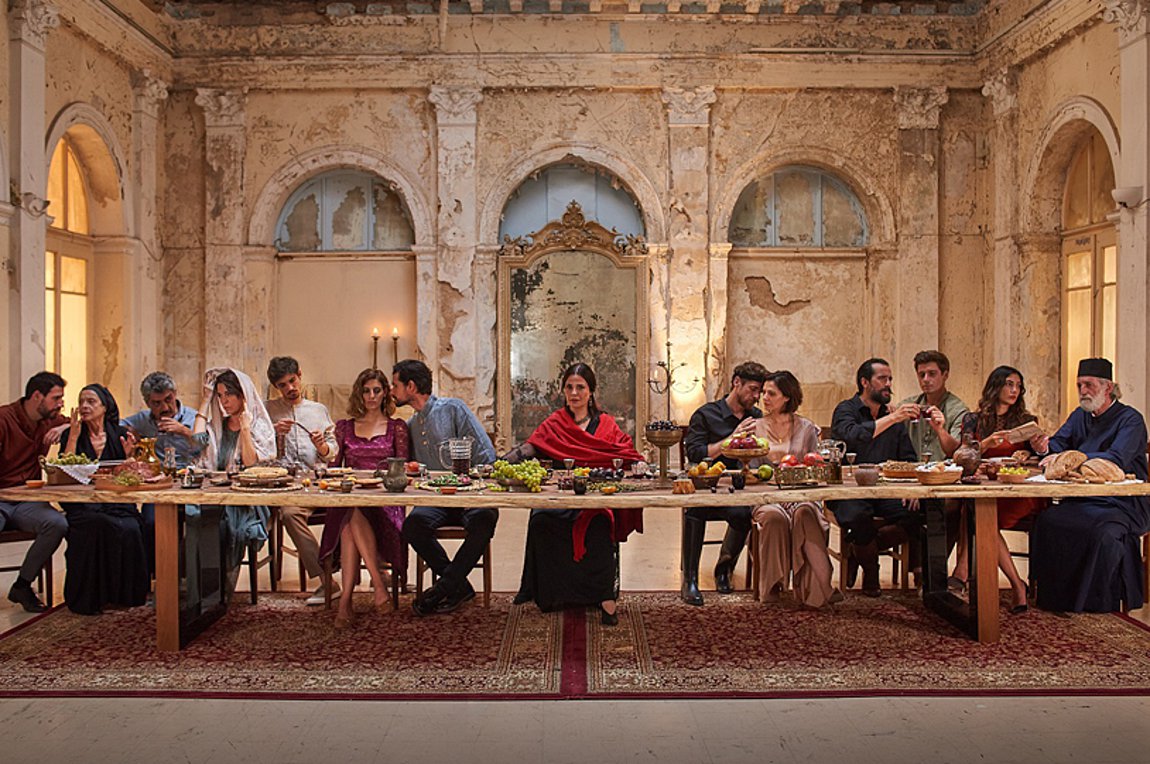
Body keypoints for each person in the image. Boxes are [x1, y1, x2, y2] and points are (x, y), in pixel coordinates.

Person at [505, 363, 644, 626]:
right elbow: (533, 446)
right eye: (569, 387)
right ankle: (552, 596)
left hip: (595, 500)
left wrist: (639, 463)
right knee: (541, 521)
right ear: (563, 391)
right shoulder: (555, 422)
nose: (574, 393)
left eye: (580, 387)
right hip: (560, 498)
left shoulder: (606, 424)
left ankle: (605, 599)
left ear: (591, 391)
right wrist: (501, 462)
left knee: (600, 525)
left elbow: (625, 451)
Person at [1032, 358, 1150, 613]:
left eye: (1089, 385)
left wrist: (1072, 459)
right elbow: (1058, 444)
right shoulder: (1080, 415)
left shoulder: (1131, 420)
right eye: (1079, 385)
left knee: (1101, 532)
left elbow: (1117, 458)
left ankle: (1095, 602)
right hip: (1083, 498)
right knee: (1048, 521)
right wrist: (1044, 448)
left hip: (1122, 502)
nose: (1083, 391)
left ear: (1109, 388)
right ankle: (1056, 599)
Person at [394, 359, 497, 616]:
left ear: (411, 386)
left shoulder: (453, 409)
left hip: (468, 496)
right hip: (435, 500)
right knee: (413, 526)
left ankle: (442, 588)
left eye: (395, 385)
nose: (392, 391)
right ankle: (458, 586)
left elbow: (487, 455)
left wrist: (469, 483)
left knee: (485, 518)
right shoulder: (411, 426)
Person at [948, 366, 1049, 612]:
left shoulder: (1026, 421)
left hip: (1016, 490)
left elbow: (1039, 457)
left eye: (1018, 386)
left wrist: (1034, 450)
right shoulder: (973, 420)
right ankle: (1017, 585)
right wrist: (985, 443)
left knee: (980, 515)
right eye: (1009, 384)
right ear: (996, 387)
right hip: (985, 485)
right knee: (976, 509)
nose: (1015, 390)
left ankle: (962, 573)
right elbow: (961, 454)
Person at [319, 369, 409, 628]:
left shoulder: (397, 427)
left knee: (350, 519)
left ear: (385, 394)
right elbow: (333, 468)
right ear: (359, 393)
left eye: (376, 391)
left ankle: (346, 602)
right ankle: (378, 587)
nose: (371, 396)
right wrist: (322, 449)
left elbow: (402, 469)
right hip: (351, 497)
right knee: (350, 514)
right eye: (366, 390)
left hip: (385, 502)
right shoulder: (344, 427)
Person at [827, 358, 920, 596]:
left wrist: (912, 489)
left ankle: (859, 549)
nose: (888, 384)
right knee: (859, 517)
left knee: (922, 512)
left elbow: (909, 458)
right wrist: (893, 418)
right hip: (849, 490)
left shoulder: (893, 417)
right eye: (882, 379)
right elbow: (852, 436)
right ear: (865, 382)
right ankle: (871, 571)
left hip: (886, 490)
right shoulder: (846, 409)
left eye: (890, 379)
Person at [749, 371, 839, 609]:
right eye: (763, 392)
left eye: (771, 393)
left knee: (806, 514)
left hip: (801, 493)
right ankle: (772, 588)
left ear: (787, 397)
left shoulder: (807, 428)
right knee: (774, 517)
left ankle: (819, 589)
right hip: (767, 496)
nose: (764, 398)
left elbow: (814, 466)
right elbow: (751, 470)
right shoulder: (755, 427)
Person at [58, 384, 149, 615]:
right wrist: (74, 436)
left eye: (91, 402)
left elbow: (128, 474)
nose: (84, 406)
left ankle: (125, 596)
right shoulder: (71, 434)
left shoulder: (119, 434)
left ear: (105, 406)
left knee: (130, 528)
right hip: (83, 504)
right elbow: (65, 472)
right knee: (95, 525)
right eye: (81, 402)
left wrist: (128, 458)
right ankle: (90, 599)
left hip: (115, 501)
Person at [681, 361, 767, 605]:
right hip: (706, 487)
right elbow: (695, 454)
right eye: (753, 389)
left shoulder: (756, 417)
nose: (757, 397)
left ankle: (724, 569)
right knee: (695, 511)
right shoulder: (706, 414)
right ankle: (690, 580)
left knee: (743, 514)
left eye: (760, 391)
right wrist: (732, 438)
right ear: (736, 383)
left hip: (740, 490)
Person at [191, 368, 276, 591]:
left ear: (243, 395)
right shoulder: (218, 426)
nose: (224, 401)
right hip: (214, 494)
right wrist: (206, 400)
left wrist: (245, 428)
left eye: (229, 394)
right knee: (191, 518)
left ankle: (216, 590)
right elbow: (196, 441)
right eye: (220, 395)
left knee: (222, 524)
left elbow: (251, 464)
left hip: (246, 499)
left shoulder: (259, 426)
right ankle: (194, 589)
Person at [264, 356, 339, 605]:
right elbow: (258, 449)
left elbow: (332, 451)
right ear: (276, 387)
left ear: (300, 375)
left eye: (292, 381)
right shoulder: (267, 410)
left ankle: (351, 573)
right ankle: (327, 580)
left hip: (317, 483)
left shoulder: (318, 410)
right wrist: (273, 433)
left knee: (352, 509)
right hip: (284, 485)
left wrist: (322, 446)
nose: (290, 388)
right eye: (282, 385)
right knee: (288, 513)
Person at [121, 371, 203, 575]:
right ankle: (155, 574)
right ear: (148, 403)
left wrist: (185, 431)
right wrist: (132, 436)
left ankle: (189, 575)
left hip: (191, 483)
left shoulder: (194, 417)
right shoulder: (143, 419)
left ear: (175, 394)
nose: (165, 408)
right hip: (159, 485)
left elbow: (210, 444)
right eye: (156, 403)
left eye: (168, 399)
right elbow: (117, 425)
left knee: (199, 522)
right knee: (150, 522)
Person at [0, 372, 69, 612]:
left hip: (28, 500)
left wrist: (64, 428)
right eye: (56, 398)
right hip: (1, 498)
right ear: (37, 396)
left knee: (57, 524)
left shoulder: (49, 420)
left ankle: (22, 585)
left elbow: (79, 422)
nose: (60, 404)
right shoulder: (3, 419)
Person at [899, 350, 968, 461]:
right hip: (911, 468)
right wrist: (893, 415)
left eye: (932, 374)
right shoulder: (908, 405)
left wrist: (940, 430)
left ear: (945, 375)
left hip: (943, 469)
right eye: (922, 375)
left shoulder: (958, 410)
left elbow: (955, 451)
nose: (925, 379)